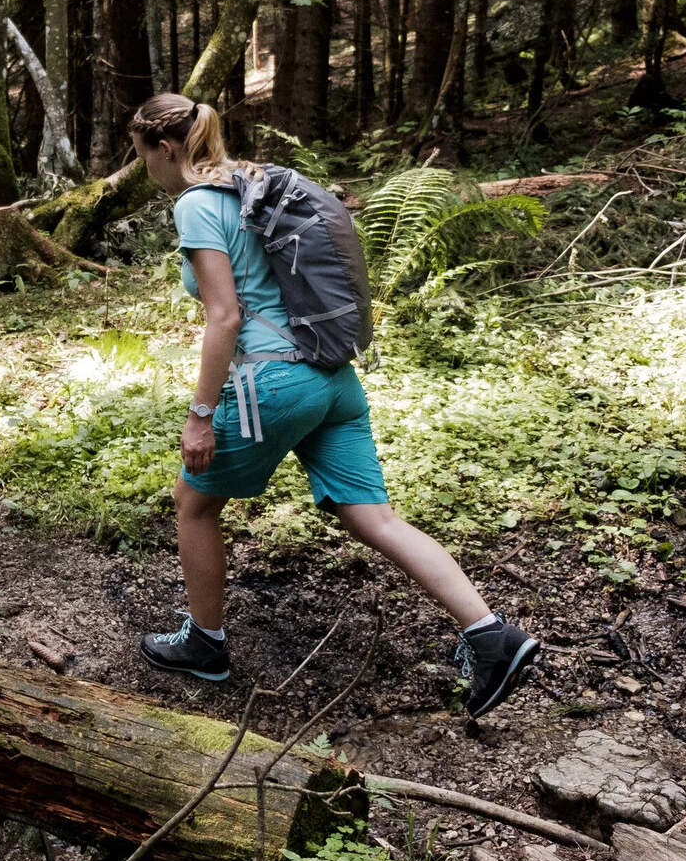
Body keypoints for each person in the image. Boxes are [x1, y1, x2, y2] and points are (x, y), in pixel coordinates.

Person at [127, 93, 540, 718]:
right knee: (375, 518)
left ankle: (205, 644)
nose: (144, 170)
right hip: (331, 376)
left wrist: (201, 413)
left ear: (164, 148)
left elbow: (225, 315)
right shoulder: (252, 183)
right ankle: (490, 634)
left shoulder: (196, 204)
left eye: (141, 157)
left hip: (271, 383)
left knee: (194, 503)